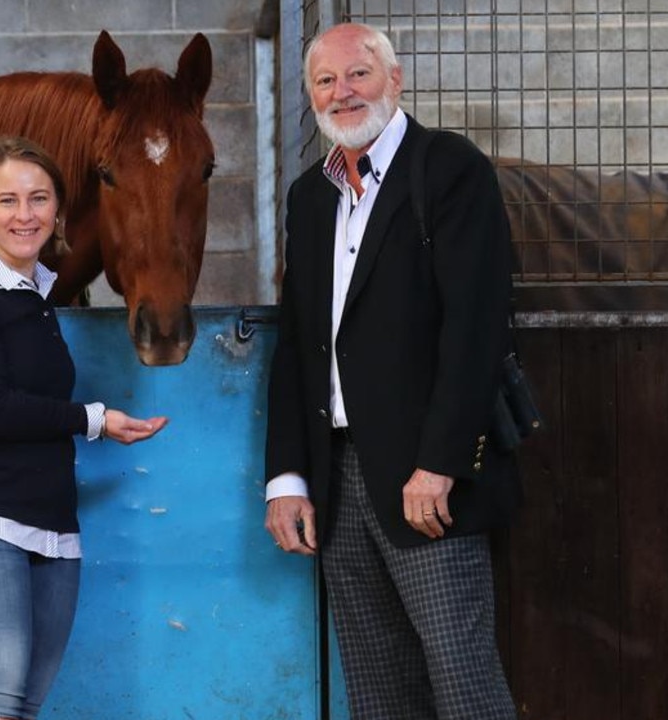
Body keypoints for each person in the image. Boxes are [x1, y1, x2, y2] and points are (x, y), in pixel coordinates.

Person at [264, 22, 522, 720]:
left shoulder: (449, 169)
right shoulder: (308, 198)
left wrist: (440, 463)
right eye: (325, 80)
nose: (342, 93)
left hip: (425, 479)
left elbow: (475, 327)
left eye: (358, 74)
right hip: (337, 479)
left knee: (463, 681)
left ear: (395, 80)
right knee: (379, 691)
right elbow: (298, 345)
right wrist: (287, 479)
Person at [0, 135, 168, 720]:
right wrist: (96, 420)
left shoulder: (39, 297)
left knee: (22, 706)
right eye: (7, 200)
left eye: (39, 199)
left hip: (51, 528)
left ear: (58, 209)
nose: (24, 215)